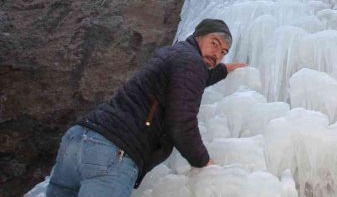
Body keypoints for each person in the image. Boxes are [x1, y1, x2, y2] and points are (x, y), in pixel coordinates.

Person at [46, 18, 246, 197]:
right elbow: (181, 122)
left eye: (223, 52)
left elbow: (195, 77)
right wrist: (203, 162)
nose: (217, 54)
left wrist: (225, 69)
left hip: (77, 141)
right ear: (197, 36)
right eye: (214, 43)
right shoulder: (191, 62)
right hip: (112, 152)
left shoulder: (175, 54)